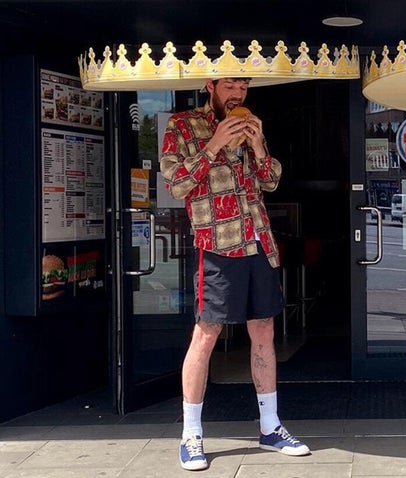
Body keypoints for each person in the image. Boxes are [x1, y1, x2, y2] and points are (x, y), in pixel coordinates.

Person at [161, 77, 310, 471]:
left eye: (243, 86)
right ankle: (191, 433)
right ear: (211, 85)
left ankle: (270, 426)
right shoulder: (182, 125)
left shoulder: (250, 124)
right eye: (230, 85)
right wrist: (212, 145)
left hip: (258, 240)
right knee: (207, 332)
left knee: (263, 329)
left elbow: (271, 181)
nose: (238, 94)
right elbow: (176, 185)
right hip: (216, 242)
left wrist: (258, 144)